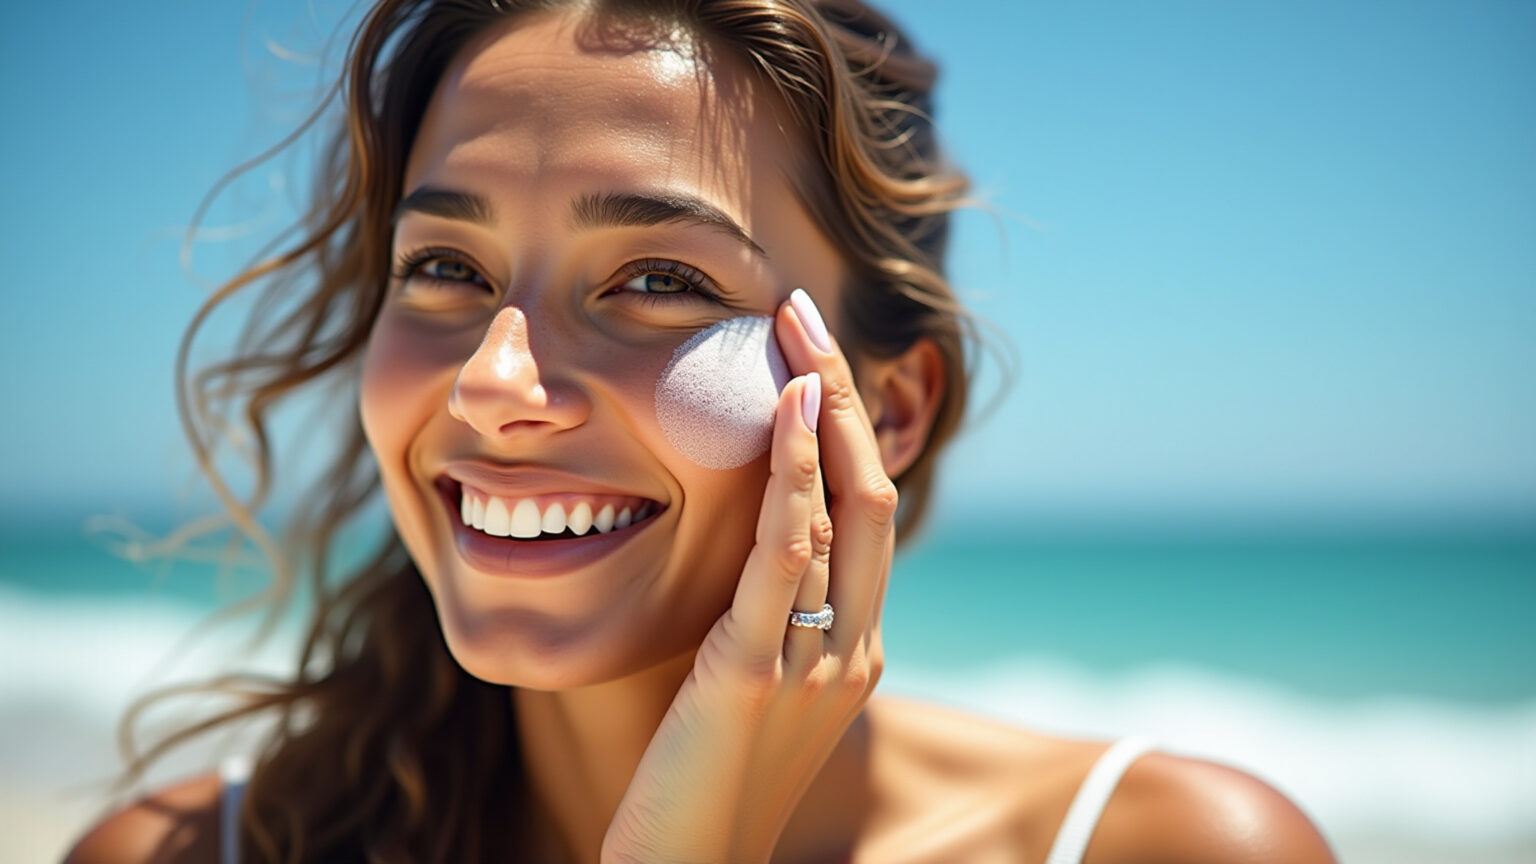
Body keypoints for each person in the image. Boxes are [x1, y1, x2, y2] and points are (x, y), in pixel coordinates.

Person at [67, 1, 1336, 861]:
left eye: (661, 280)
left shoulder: (1167, 846)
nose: (495, 382)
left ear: (885, 409)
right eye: (445, 265)